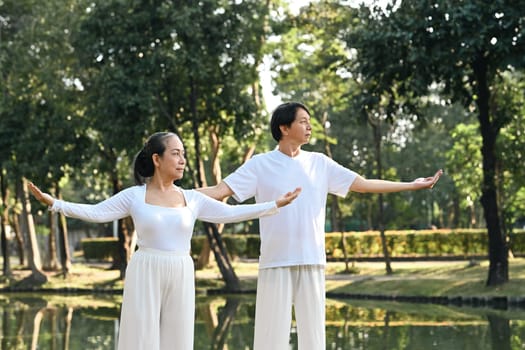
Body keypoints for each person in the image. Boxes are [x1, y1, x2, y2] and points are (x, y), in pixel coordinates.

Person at [198, 102, 443, 350]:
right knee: (269, 340)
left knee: (314, 341)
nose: (310, 126)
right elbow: (219, 192)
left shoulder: (320, 163)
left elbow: (364, 184)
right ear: (284, 127)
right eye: (303, 121)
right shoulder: (260, 164)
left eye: (309, 121)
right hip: (275, 262)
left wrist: (411, 185)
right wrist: (170, 195)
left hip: (312, 260)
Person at [28, 131, 301, 350]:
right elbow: (96, 212)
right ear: (157, 159)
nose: (182, 160)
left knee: (178, 337)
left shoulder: (191, 198)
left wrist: (273, 204)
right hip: (145, 268)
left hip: (181, 269)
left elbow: (230, 213)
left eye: (183, 154)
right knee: (141, 336)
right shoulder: (134, 195)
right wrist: (54, 203)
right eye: (176, 154)